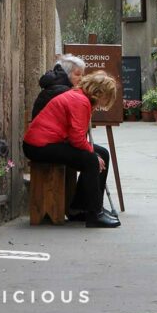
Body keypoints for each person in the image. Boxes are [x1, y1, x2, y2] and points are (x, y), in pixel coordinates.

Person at [23, 70, 120, 228]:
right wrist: (92, 154)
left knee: (102, 153)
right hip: (39, 146)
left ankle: (81, 208)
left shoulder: (80, 96)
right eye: (106, 97)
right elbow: (77, 138)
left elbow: (76, 137)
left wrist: (93, 153)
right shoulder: (80, 101)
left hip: (49, 142)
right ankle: (94, 214)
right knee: (91, 160)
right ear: (99, 92)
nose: (105, 102)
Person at [31, 55, 85, 119]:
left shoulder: (57, 87)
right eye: (77, 74)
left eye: (82, 75)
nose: (81, 78)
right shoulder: (62, 91)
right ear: (67, 73)